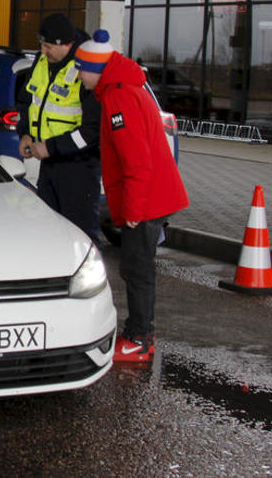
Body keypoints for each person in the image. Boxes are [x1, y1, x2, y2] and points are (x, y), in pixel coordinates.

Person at [74, 29, 189, 362]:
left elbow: (136, 161)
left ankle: (140, 339)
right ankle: (140, 333)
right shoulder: (123, 89)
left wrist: (134, 210)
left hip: (146, 200)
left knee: (136, 269)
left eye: (81, 69)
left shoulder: (118, 97)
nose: (79, 76)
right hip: (151, 197)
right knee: (138, 267)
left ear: (95, 68)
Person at [17, 13, 102, 245]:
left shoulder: (85, 68)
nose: (43, 51)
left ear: (66, 44)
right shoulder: (42, 61)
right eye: (41, 45)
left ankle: (88, 281)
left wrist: (51, 147)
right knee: (48, 232)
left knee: (81, 237)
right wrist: (24, 132)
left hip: (79, 167)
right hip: (49, 164)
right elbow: (26, 100)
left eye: (47, 46)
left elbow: (92, 132)